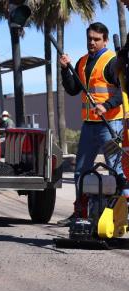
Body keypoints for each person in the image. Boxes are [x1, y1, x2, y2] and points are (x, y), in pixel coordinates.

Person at [57, 22, 128, 226]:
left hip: (110, 125)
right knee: (81, 170)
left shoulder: (113, 62)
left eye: (96, 39)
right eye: (89, 38)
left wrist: (106, 105)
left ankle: (121, 214)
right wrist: (64, 70)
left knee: (117, 171)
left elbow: (123, 91)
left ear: (105, 40)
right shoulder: (82, 62)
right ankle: (80, 212)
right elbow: (72, 89)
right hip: (89, 126)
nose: (92, 42)